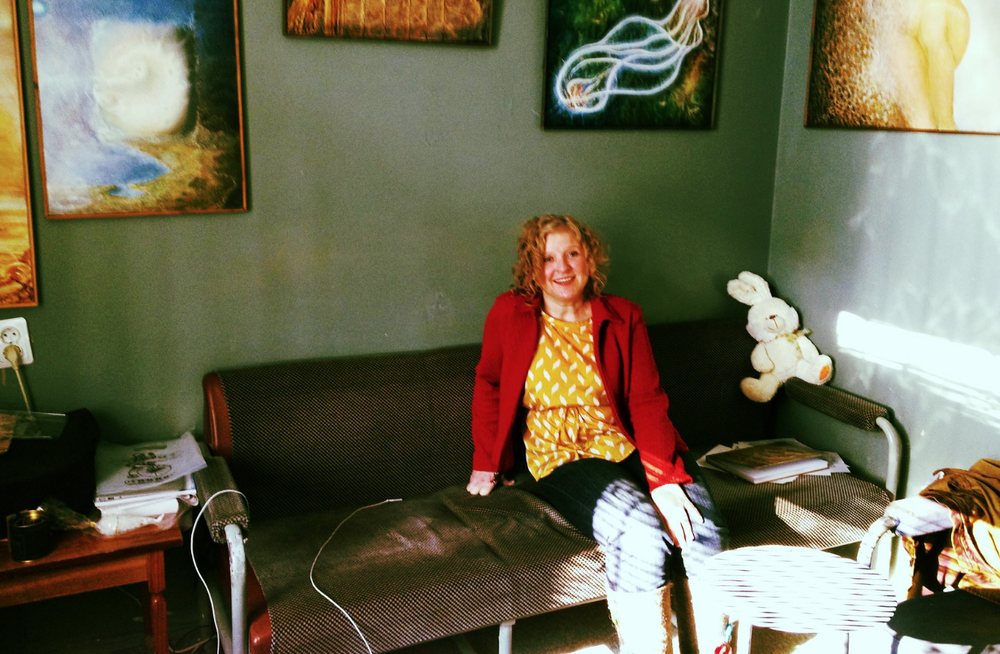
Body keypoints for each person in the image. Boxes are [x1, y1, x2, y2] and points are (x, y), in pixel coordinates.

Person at [467, 214, 727, 654]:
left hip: (625, 442)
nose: (562, 267)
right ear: (532, 267)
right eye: (548, 258)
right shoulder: (509, 312)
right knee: (640, 530)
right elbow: (490, 383)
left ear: (590, 260)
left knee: (701, 522)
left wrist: (664, 480)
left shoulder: (623, 316)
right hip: (560, 455)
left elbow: (646, 399)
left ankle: (714, 647)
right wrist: (486, 462)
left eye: (572, 253)